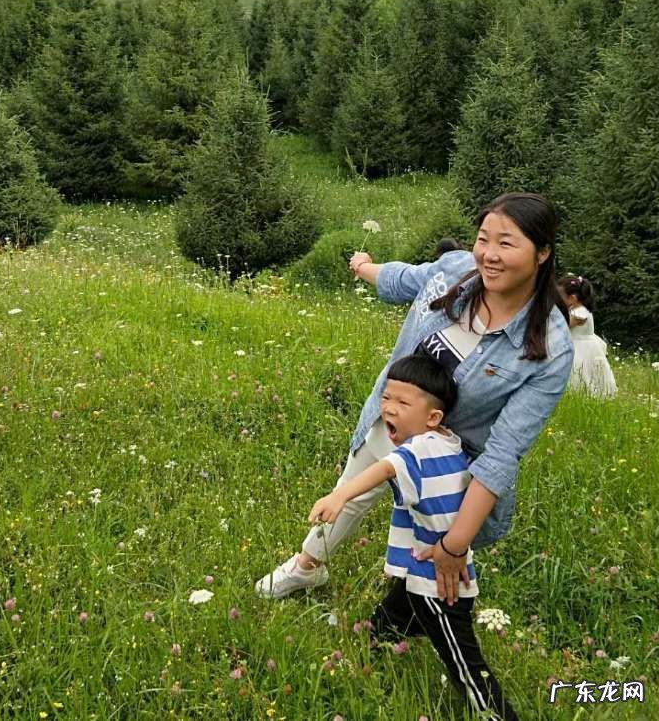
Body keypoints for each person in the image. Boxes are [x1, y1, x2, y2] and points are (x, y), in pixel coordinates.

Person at [256, 192, 573, 605]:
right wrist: (363, 266)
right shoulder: (455, 272)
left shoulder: (548, 347)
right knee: (351, 491)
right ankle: (307, 567)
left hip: (446, 457)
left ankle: (405, 613)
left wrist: (456, 545)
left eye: (506, 243)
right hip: (392, 417)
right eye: (483, 239)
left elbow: (502, 454)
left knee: (431, 545)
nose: (489, 255)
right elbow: (403, 278)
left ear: (542, 253)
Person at [309, 351, 519, 721]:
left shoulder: (417, 449)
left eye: (403, 402)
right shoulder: (449, 441)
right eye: (386, 397)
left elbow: (386, 467)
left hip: (438, 577)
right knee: (395, 609)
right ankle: (373, 645)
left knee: (462, 659)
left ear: (433, 416)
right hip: (430, 563)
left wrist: (340, 494)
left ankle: (495, 713)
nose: (389, 407)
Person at [559, 275, 617, 398]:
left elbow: (561, 326)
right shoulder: (576, 309)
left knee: (580, 373)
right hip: (579, 344)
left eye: (560, 296)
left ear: (572, 298)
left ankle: (580, 396)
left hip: (580, 349)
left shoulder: (580, 313)